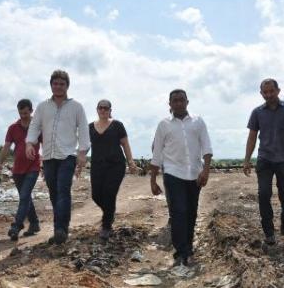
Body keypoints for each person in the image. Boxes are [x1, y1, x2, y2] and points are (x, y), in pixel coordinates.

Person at [26, 70, 90, 245]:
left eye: (62, 84)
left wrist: (82, 152)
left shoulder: (76, 107)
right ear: (51, 85)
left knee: (63, 190)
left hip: (67, 155)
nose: (58, 87)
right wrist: (30, 143)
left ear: (67, 86)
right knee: (54, 193)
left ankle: (61, 229)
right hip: (48, 156)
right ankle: (59, 229)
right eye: (55, 83)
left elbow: (83, 129)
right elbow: (35, 126)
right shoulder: (43, 107)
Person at [150, 89, 212, 266]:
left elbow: (207, 147)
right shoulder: (163, 125)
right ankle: (181, 252)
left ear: (187, 102)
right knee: (178, 212)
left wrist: (205, 171)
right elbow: (157, 154)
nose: (178, 103)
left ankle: (188, 248)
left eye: (181, 100)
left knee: (191, 212)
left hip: (194, 175)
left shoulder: (198, 122)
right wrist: (153, 180)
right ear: (169, 104)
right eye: (174, 101)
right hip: (172, 173)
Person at [243, 78, 284, 245]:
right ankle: (269, 232)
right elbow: (252, 137)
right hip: (265, 159)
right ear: (261, 93)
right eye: (265, 92)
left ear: (278, 91)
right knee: (263, 194)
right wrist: (247, 160)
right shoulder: (257, 112)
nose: (269, 95)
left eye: (272, 91)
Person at [89, 99, 139, 240]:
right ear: (97, 109)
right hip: (97, 166)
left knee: (109, 193)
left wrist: (131, 162)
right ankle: (110, 213)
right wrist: (79, 162)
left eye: (106, 108)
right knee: (96, 195)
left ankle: (106, 225)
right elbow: (84, 147)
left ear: (110, 110)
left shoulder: (117, 125)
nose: (103, 110)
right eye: (101, 108)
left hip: (115, 165)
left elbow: (125, 144)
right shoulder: (90, 127)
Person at [0, 99, 42, 241]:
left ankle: (17, 225)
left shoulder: (37, 127)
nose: (23, 115)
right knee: (25, 197)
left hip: (33, 167)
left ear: (31, 111)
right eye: (21, 113)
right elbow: (6, 147)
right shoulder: (13, 128)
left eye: (26, 113)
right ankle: (34, 224)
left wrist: (46, 164)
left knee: (24, 196)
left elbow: (46, 145)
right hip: (17, 169)